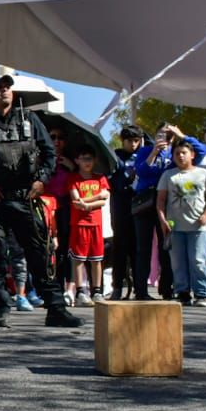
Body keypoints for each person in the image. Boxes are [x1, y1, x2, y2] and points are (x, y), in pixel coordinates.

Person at [0, 75, 81, 328]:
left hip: (25, 197)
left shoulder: (31, 120)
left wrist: (41, 180)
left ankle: (55, 307)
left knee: (39, 254)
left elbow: (48, 154)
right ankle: (1, 307)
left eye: (7, 87)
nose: (4, 91)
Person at [131, 123, 206, 300]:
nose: (165, 139)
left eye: (169, 136)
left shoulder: (175, 154)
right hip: (145, 202)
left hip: (166, 204)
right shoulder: (145, 151)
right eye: (161, 134)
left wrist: (181, 135)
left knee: (166, 247)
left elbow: (201, 152)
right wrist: (153, 152)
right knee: (143, 248)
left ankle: (167, 289)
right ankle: (141, 291)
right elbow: (141, 171)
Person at [157, 138, 206, 305]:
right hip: (175, 227)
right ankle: (182, 292)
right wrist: (163, 220)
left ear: (192, 154)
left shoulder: (203, 173)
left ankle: (202, 293)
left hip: (198, 226)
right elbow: (161, 200)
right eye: (177, 153)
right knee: (178, 262)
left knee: (198, 260)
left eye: (184, 153)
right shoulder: (168, 175)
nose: (180, 156)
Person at [67, 148, 108, 305]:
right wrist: (95, 199)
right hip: (79, 224)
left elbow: (104, 199)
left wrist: (88, 203)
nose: (87, 162)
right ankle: (80, 292)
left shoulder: (100, 178)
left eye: (90, 158)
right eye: (84, 158)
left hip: (96, 224)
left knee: (96, 259)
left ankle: (97, 291)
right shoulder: (73, 179)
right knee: (79, 259)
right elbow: (77, 202)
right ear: (77, 160)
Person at [108, 126, 142, 299]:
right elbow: (112, 178)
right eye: (130, 141)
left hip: (139, 205)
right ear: (123, 141)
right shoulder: (115, 155)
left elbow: (151, 142)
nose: (134, 144)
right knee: (120, 248)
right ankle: (117, 287)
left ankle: (140, 288)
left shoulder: (144, 153)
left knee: (138, 248)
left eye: (137, 140)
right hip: (120, 205)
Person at [44, 128, 76, 302]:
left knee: (66, 249)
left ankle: (69, 288)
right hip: (46, 208)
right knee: (49, 249)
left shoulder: (72, 161)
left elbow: (80, 183)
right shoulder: (43, 156)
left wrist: (72, 167)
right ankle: (51, 286)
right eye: (53, 137)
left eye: (61, 138)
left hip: (66, 208)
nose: (57, 141)